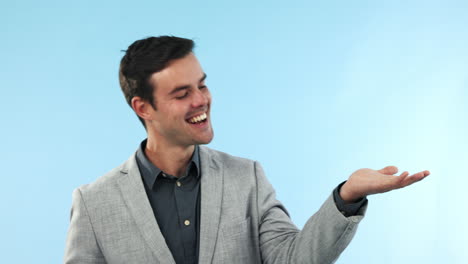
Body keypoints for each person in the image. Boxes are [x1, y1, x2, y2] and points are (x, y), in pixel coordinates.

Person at [64, 36, 430, 264]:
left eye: (202, 86)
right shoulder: (95, 203)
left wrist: (346, 196)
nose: (201, 101)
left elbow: (292, 260)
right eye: (182, 94)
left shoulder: (247, 177)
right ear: (143, 108)